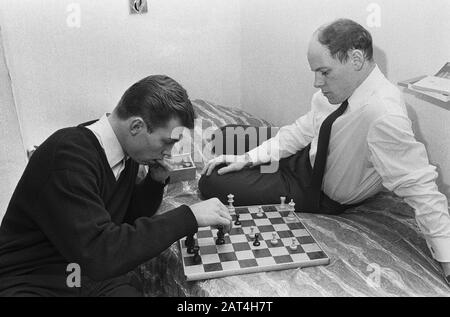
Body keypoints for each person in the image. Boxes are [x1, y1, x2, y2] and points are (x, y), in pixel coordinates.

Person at [199, 19, 450, 285]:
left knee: (212, 180)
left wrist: (447, 261)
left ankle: (262, 169)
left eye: (324, 72)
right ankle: (256, 159)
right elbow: (303, 129)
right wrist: (247, 159)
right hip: (304, 156)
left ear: (355, 59)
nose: (317, 82)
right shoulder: (336, 92)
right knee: (226, 136)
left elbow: (421, 188)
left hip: (314, 189)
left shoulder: (384, 115)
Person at [0, 75, 232, 296]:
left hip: (82, 275)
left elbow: (124, 220)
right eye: (166, 141)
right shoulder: (67, 157)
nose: (169, 152)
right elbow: (101, 253)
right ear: (136, 127)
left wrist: (154, 181)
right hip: (34, 280)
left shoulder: (124, 153)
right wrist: (188, 216)